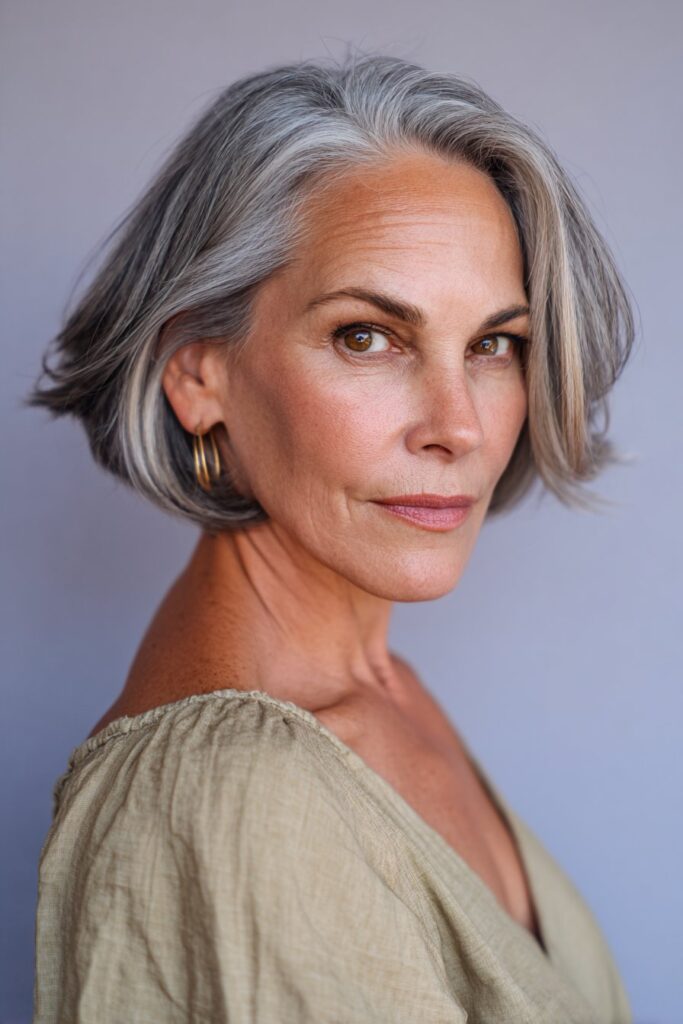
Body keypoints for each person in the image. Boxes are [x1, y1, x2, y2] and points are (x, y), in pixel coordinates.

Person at [26, 53, 636, 1023]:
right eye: (368, 336)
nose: (458, 425)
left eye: (492, 344)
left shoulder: (380, 692)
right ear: (197, 374)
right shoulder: (239, 798)